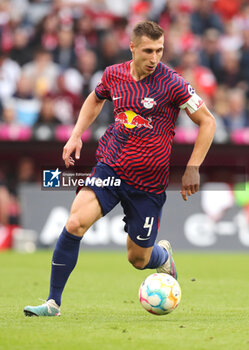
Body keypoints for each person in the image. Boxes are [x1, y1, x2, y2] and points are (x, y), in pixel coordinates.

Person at [24, 21, 216, 317]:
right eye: (149, 51)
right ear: (133, 48)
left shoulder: (173, 83)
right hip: (110, 167)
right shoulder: (113, 75)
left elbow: (208, 121)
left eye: (160, 50)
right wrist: (76, 135)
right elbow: (95, 98)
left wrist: (194, 166)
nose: (155, 58)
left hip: (148, 183)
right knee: (75, 223)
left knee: (138, 259)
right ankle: (52, 303)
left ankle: (162, 256)